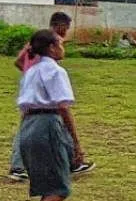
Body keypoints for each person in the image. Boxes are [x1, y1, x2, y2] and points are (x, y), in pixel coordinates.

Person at [2, 30, 84, 201]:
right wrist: (76, 143)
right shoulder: (55, 71)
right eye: (60, 43)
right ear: (51, 48)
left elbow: (21, 69)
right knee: (61, 188)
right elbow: (63, 107)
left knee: (47, 187)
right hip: (48, 124)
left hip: (28, 125)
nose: (63, 47)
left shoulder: (32, 70)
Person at [8, 12, 93, 182]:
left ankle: (72, 162)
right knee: (53, 122)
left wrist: (30, 73)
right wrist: (37, 75)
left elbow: (19, 61)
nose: (67, 33)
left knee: (34, 126)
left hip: (35, 92)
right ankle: (19, 166)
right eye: (67, 28)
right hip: (42, 95)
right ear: (59, 26)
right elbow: (19, 60)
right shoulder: (48, 42)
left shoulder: (39, 43)